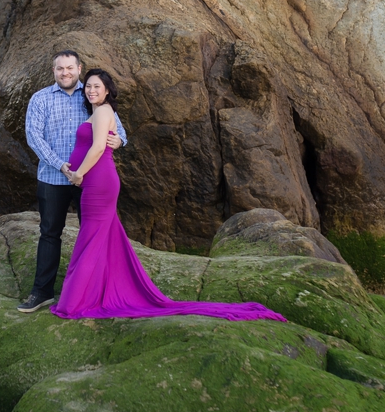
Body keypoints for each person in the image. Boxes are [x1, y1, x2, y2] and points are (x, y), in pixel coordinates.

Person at [50, 68, 287, 322]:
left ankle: (74, 302)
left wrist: (78, 174)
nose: (91, 90)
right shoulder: (99, 112)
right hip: (98, 182)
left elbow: (98, 147)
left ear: (107, 90)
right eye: (88, 87)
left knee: (90, 238)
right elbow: (105, 140)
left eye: (97, 86)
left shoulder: (104, 111)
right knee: (104, 239)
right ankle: (96, 293)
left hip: (98, 183)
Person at [19, 51, 127, 313]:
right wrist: (60, 164)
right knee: (49, 233)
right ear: (53, 71)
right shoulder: (41, 98)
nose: (65, 72)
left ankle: (91, 292)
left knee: (91, 233)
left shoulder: (92, 94)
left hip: (89, 181)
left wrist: (119, 140)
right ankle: (41, 292)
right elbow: (34, 137)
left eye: (69, 68)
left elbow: (119, 131)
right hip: (54, 178)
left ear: (79, 68)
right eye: (59, 68)